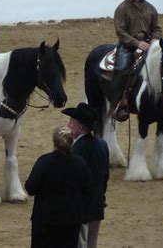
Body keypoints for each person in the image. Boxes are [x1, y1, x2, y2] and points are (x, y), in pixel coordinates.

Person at [25, 127, 91, 248]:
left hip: (45, 220)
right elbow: (87, 188)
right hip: (71, 219)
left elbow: (30, 188)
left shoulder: (44, 161)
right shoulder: (80, 163)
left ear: (54, 143)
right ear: (71, 143)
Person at [62, 102, 110, 248]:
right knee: (92, 243)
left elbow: (72, 181)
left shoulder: (75, 150)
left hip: (80, 208)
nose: (69, 125)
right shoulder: (102, 145)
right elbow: (105, 176)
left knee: (79, 243)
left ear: (81, 127)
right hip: (97, 204)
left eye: (72, 122)